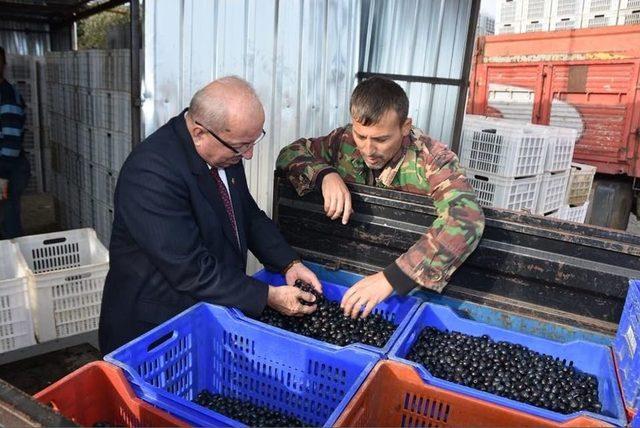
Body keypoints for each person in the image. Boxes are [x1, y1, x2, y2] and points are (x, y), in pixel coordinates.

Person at [99, 76, 322, 354]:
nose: (249, 155)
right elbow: (191, 268)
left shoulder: (225, 151)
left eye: (253, 142)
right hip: (156, 330)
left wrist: (288, 263)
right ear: (199, 132)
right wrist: (268, 296)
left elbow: (247, 215)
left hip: (206, 314)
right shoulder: (151, 173)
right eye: (242, 146)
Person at [277, 77, 485, 319]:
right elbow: (289, 153)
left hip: (408, 285)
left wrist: (394, 277)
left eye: (381, 139)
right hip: (350, 265)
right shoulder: (341, 141)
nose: (368, 149)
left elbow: (466, 218)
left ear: (405, 127)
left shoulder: (432, 159)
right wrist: (324, 174)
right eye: (360, 136)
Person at [0, 46, 30, 239]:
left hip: (9, 169)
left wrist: (2, 176)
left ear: (2, 65)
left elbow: (11, 141)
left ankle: (15, 267)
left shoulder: (7, 96)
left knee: (8, 223)